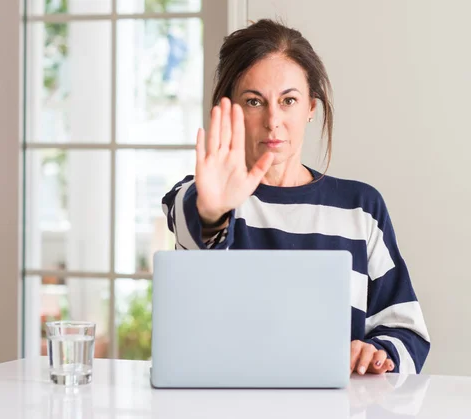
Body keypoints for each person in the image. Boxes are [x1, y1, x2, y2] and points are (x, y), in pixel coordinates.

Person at [161, 19, 430, 375]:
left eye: (288, 100)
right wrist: (212, 212)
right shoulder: (204, 197)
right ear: (232, 109)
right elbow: (190, 216)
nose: (273, 121)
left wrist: (378, 354)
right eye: (254, 101)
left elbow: (407, 331)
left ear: (311, 108)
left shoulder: (361, 208)